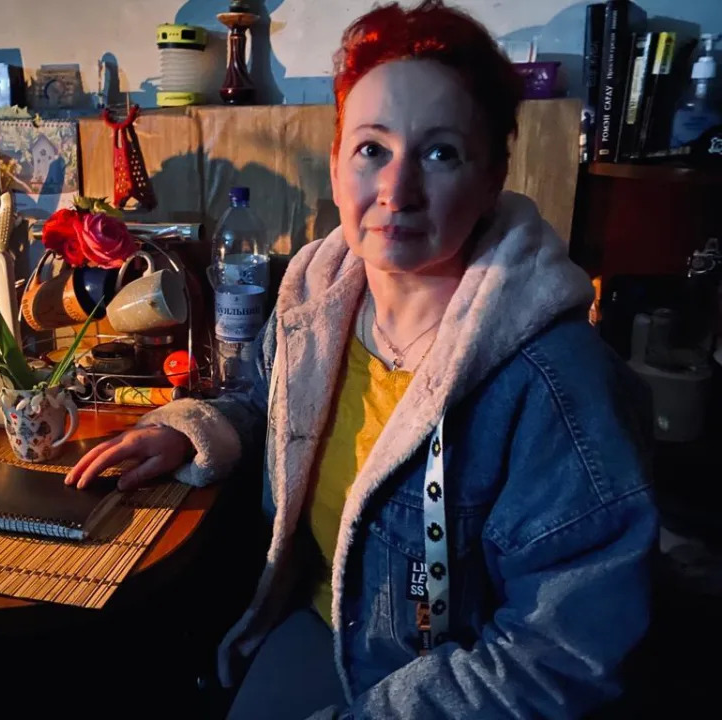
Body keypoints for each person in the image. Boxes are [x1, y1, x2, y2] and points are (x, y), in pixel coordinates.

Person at [66, 2, 657, 717]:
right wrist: (185, 430)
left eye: (440, 153)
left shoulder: (556, 381)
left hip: (443, 688)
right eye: (372, 148)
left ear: (494, 173)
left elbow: (562, 655)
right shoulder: (318, 292)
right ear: (339, 160)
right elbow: (266, 398)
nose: (396, 192)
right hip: (314, 627)